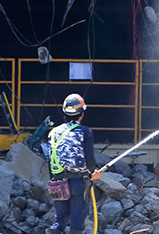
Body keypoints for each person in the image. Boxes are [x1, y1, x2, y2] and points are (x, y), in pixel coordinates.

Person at [47, 93, 100, 234]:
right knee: (77, 223)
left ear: (64, 112)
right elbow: (89, 159)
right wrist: (93, 172)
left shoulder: (53, 133)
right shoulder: (85, 132)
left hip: (57, 182)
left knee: (59, 220)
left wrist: (54, 180)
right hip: (78, 183)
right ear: (81, 114)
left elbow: (50, 159)